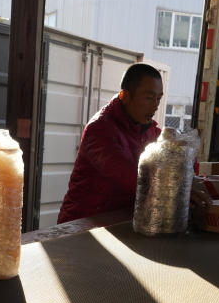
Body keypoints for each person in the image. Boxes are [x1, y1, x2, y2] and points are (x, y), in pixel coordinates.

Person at [57, 63, 164, 223]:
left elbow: (173, 151)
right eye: (149, 98)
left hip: (114, 222)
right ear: (125, 96)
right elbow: (131, 178)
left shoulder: (148, 129)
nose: (155, 106)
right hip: (80, 224)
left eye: (158, 98)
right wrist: (176, 188)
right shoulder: (100, 129)